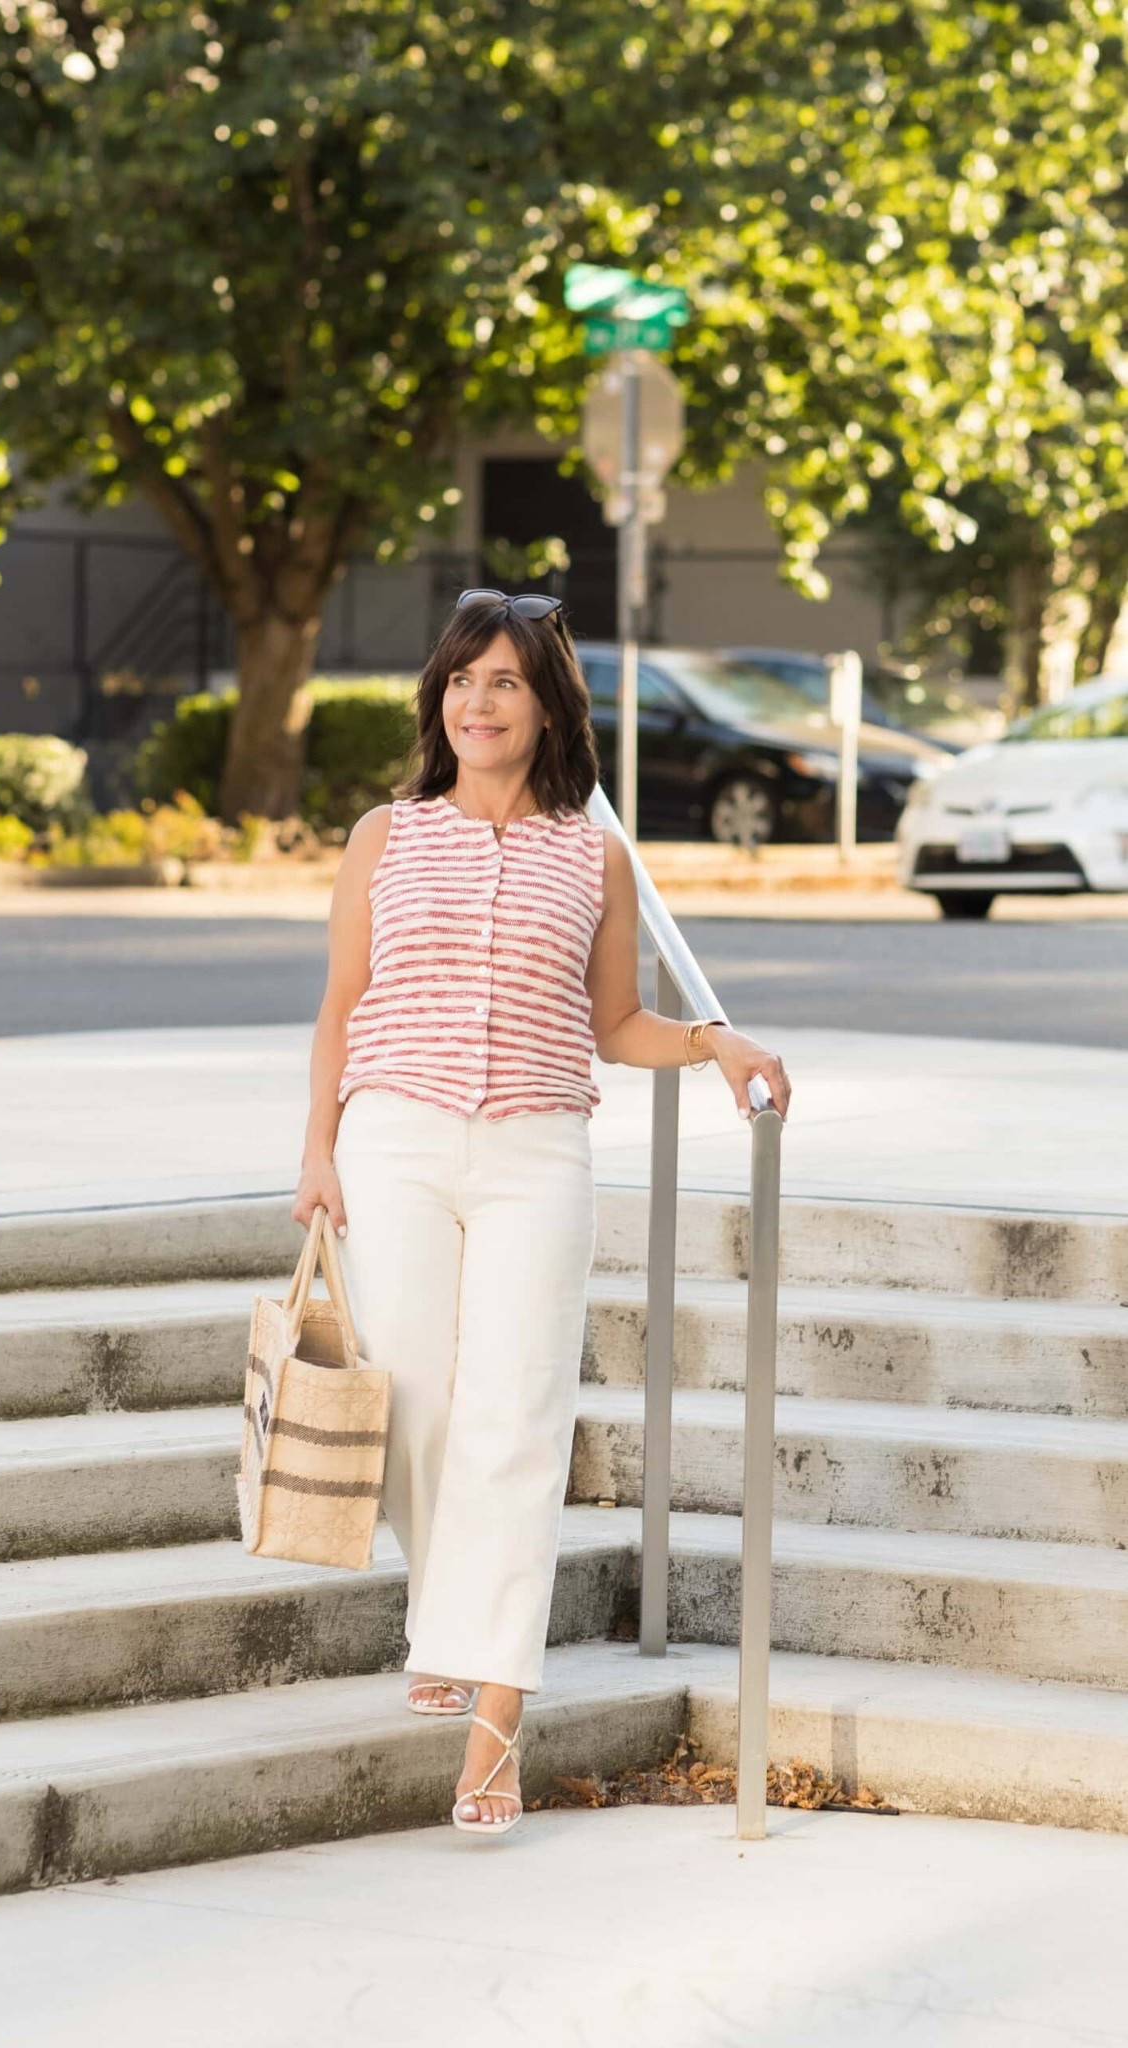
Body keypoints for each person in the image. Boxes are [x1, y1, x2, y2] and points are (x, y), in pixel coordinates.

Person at [293, 588, 790, 1839]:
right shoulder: (384, 835)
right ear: (437, 697)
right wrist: (315, 1149)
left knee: (516, 1415)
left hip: (535, 1149)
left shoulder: (594, 853)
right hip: (393, 1134)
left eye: (505, 680)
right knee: (410, 1393)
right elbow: (340, 1007)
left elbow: (615, 1024)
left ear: (546, 702)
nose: (478, 702)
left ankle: (494, 1719)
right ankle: (445, 1617)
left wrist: (712, 1039)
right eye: (461, 679)